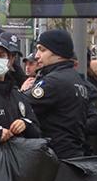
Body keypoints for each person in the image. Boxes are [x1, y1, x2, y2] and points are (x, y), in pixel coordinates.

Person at [24, 29, 90, 159]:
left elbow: (21, 105)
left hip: (56, 157)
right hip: (72, 153)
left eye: (42, 50)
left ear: (58, 53)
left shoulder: (54, 82)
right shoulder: (75, 78)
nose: (37, 55)